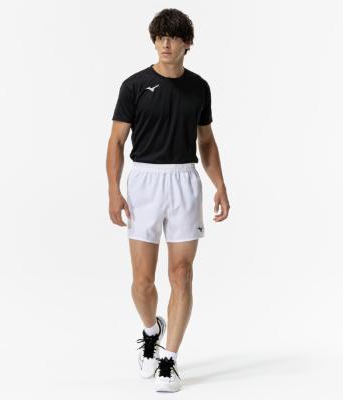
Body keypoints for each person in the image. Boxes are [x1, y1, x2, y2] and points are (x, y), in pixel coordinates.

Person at [106, 8, 230, 392]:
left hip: (183, 181)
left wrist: (220, 184)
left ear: (186, 43)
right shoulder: (134, 86)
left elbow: (206, 141)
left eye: (173, 37)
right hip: (144, 182)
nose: (165, 44)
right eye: (160, 37)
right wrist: (113, 190)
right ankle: (151, 330)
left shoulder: (199, 87)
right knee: (142, 283)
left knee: (181, 274)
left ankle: (170, 360)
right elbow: (116, 141)